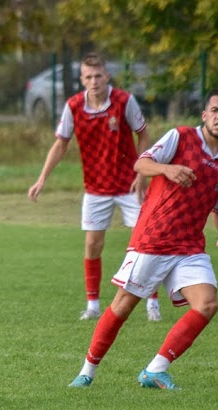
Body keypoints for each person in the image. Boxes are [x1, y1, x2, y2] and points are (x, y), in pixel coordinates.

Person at [68, 87, 218, 390]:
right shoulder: (181, 137)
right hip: (154, 238)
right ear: (204, 114)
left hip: (189, 247)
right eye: (215, 110)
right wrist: (167, 169)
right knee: (123, 305)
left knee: (207, 304)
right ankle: (87, 372)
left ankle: (155, 369)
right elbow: (140, 164)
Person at [27, 53, 162, 322]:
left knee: (145, 245)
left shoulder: (124, 101)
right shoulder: (74, 106)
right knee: (92, 244)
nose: (94, 80)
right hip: (96, 187)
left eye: (98, 75)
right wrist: (42, 178)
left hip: (128, 185)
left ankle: (152, 303)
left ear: (107, 76)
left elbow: (143, 134)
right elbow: (61, 143)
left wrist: (142, 173)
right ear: (81, 80)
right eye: (88, 76)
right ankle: (93, 305)